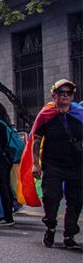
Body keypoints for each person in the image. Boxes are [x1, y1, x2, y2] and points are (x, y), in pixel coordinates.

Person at [28, 79, 82, 248]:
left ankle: (69, 235)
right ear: (54, 95)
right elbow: (36, 140)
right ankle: (50, 226)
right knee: (51, 197)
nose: (65, 96)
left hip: (77, 164)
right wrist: (35, 164)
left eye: (69, 93)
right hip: (52, 164)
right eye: (61, 93)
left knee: (76, 200)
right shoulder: (46, 114)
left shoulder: (80, 114)